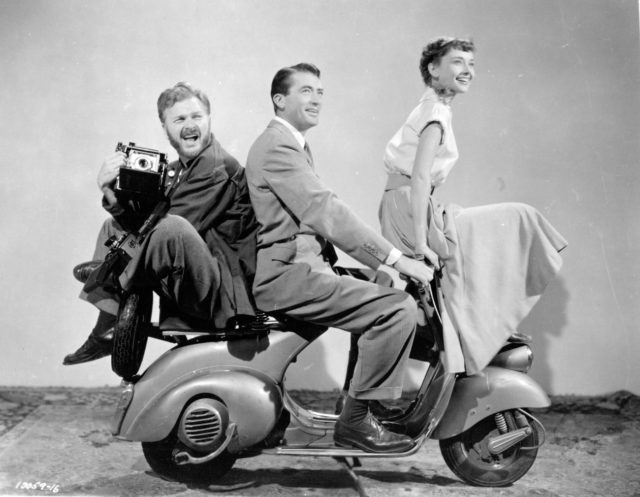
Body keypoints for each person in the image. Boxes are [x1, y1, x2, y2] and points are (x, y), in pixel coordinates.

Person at [245, 63, 434, 453]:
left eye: (320, 91)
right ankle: (357, 422)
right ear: (279, 100)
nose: (316, 99)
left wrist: (385, 265)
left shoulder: (293, 143)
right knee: (396, 308)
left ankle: (357, 402)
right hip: (287, 274)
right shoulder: (277, 146)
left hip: (301, 265)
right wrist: (397, 258)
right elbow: (324, 211)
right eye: (306, 91)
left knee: (379, 285)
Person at [379, 38, 568, 373]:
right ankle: (480, 332)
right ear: (433, 69)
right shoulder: (435, 113)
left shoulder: (434, 108)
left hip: (409, 204)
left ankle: (476, 331)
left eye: (471, 63)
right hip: (411, 206)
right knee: (520, 218)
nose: (467, 70)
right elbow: (421, 177)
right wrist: (422, 242)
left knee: (476, 239)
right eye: (456, 62)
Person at [64, 82, 258, 365]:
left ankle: (113, 274)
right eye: (179, 119)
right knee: (113, 226)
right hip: (186, 279)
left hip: (218, 293)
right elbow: (144, 226)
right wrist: (108, 190)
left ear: (209, 120)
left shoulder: (217, 168)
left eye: (197, 116)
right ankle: (104, 332)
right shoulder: (178, 170)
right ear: (165, 128)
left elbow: (162, 229)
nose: (190, 125)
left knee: (171, 227)